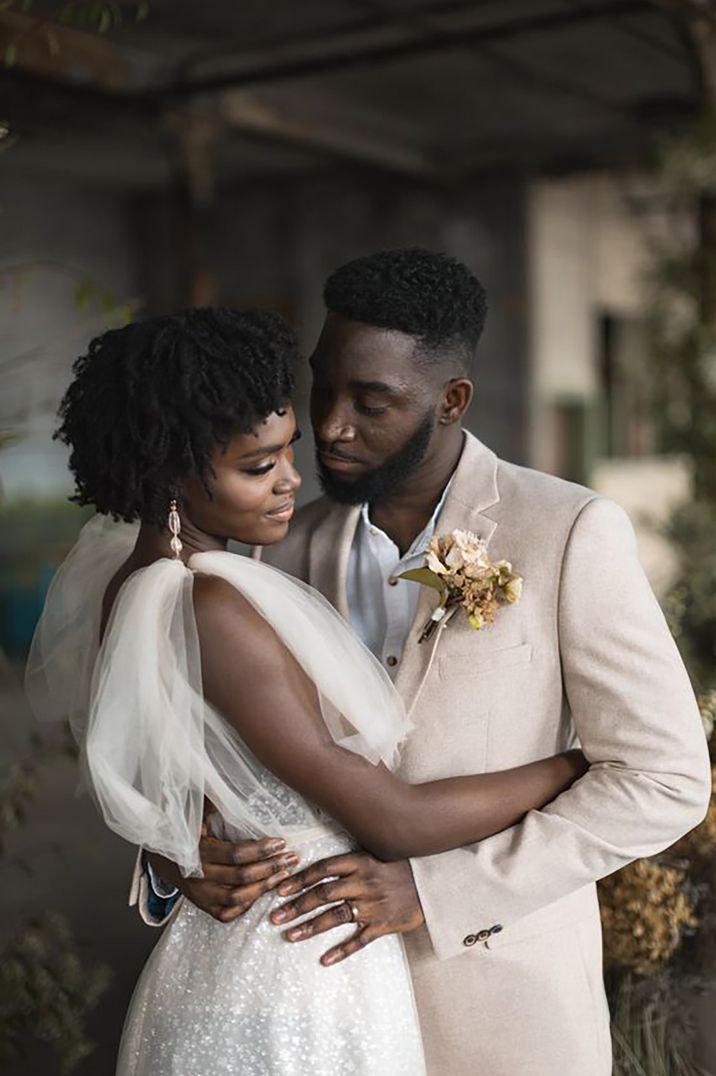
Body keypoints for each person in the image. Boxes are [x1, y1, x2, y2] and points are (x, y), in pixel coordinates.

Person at [139, 251, 712, 1076]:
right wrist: (175, 851)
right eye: (323, 386)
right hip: (312, 1008)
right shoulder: (273, 547)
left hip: (502, 1009)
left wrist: (440, 894)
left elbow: (666, 780)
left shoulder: (568, 530)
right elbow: (191, 739)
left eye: (371, 402)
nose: (332, 424)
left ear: (452, 401)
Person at [25, 306, 590, 1076]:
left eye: (287, 451)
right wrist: (572, 766)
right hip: (299, 965)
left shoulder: (137, 583)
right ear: (171, 477)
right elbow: (392, 818)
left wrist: (179, 850)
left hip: (247, 953)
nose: (294, 477)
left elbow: (185, 776)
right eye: (258, 466)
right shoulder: (210, 604)